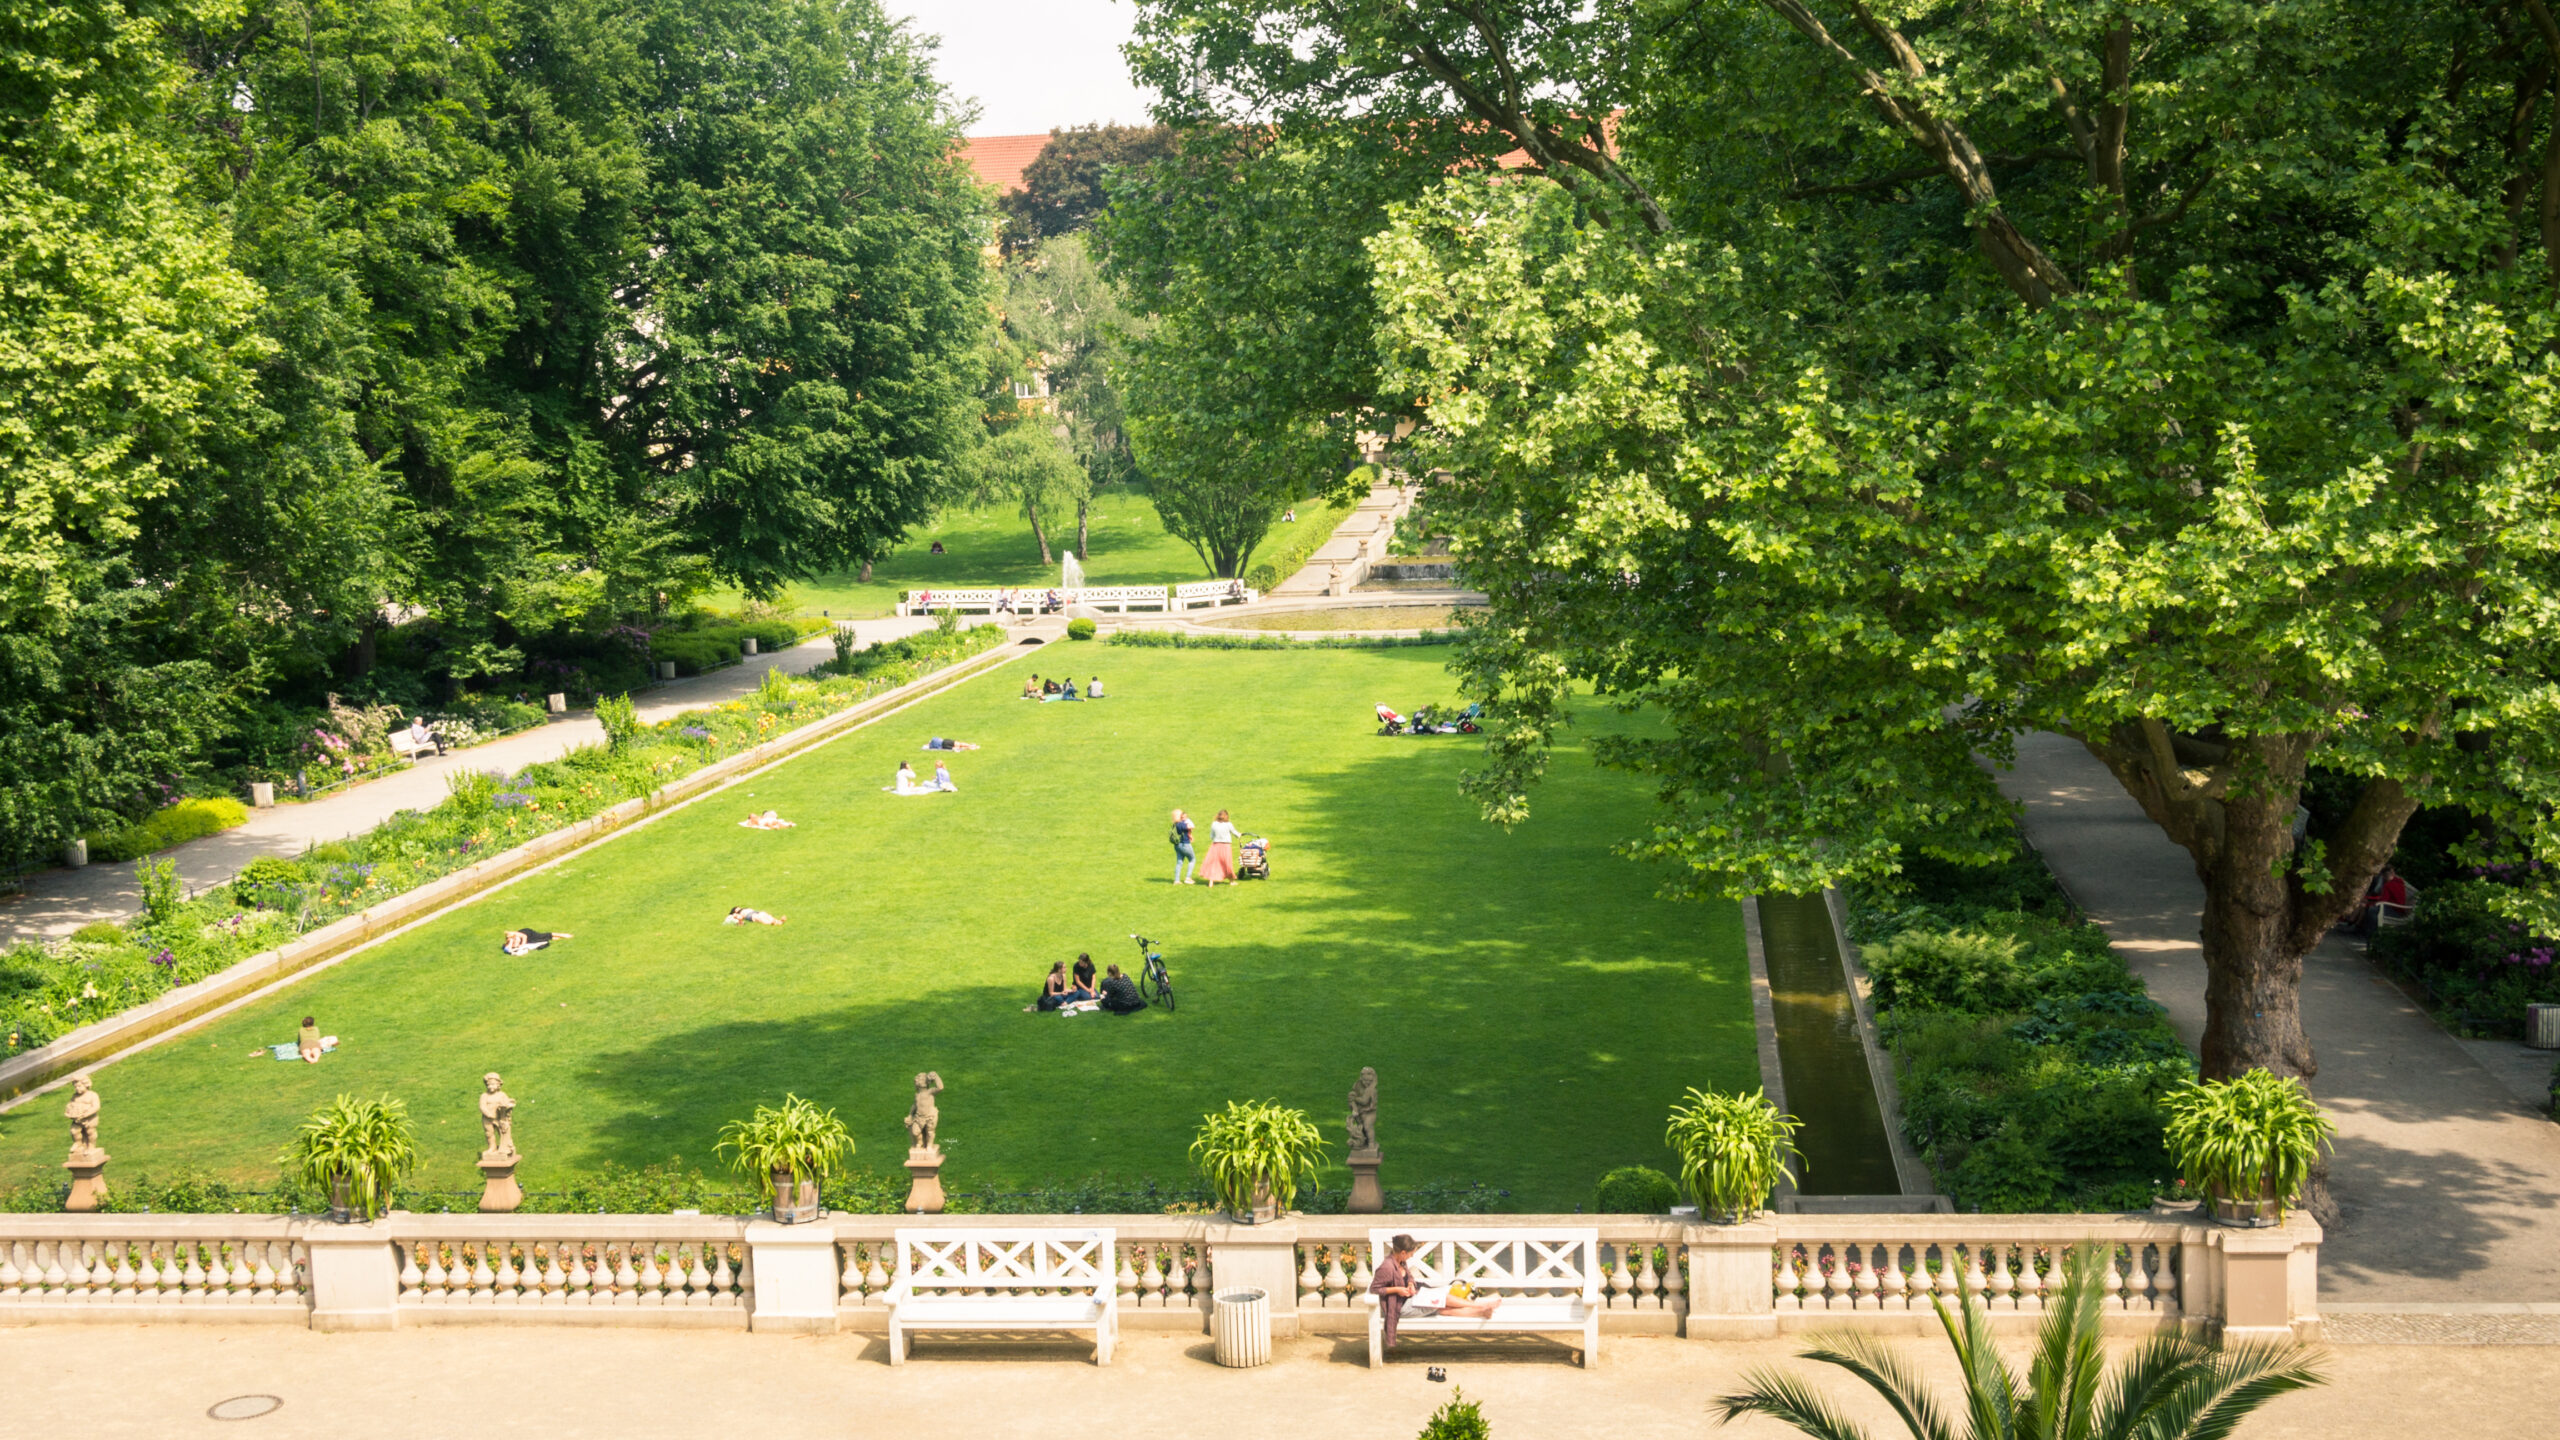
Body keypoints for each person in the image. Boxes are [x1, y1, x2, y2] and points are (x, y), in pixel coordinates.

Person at [1368, 1235, 1501, 1354]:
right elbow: (1375, 1289)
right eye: (1410, 1254)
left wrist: (1410, 1284)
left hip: (1411, 1298)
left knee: (1442, 1308)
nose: (1411, 1256)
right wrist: (1397, 1290)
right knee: (1443, 1298)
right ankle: (1481, 1306)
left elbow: (1409, 1277)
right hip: (1400, 1307)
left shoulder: (1400, 1261)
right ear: (1403, 1252)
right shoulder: (1386, 1267)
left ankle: (1482, 1312)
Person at [1200, 809, 1240, 886]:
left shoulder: (1214, 824)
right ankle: (1231, 881)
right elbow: (1235, 833)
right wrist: (1239, 835)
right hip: (1226, 846)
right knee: (1227, 863)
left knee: (1213, 864)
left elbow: (1211, 836)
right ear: (1226, 816)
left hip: (1215, 846)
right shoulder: (1228, 824)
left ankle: (1211, 882)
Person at [1170, 808, 1196, 886]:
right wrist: (1187, 820)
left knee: (1179, 862)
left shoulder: (1175, 824)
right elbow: (1191, 826)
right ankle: (1188, 878)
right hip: (1185, 844)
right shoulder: (1182, 824)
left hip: (1177, 845)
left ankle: (1176, 880)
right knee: (1192, 859)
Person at [502, 928, 568, 956]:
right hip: (528, 939)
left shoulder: (516, 934)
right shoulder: (509, 941)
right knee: (539, 940)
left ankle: (561, 934)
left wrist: (522, 945)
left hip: (529, 933)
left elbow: (524, 936)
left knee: (541, 936)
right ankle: (553, 938)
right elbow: (507, 948)